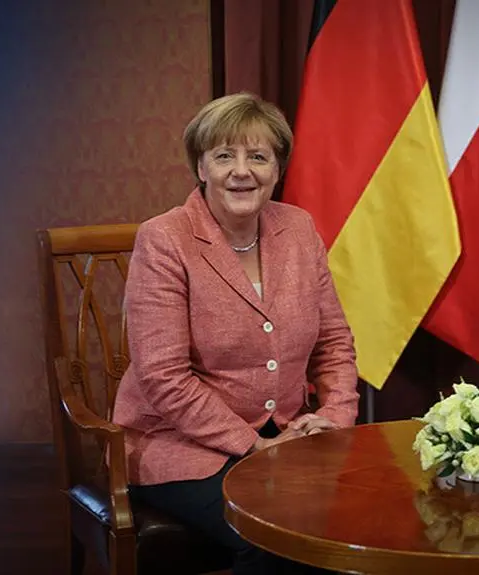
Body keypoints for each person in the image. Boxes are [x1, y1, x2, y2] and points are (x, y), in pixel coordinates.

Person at [112, 92, 360, 574]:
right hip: (182, 445)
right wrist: (254, 446)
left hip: (287, 435)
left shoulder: (299, 228)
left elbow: (333, 343)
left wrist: (333, 416)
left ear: (277, 169)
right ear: (201, 167)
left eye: (258, 157)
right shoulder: (165, 239)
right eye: (224, 156)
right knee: (272, 532)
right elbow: (162, 376)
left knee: (360, 512)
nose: (241, 171)